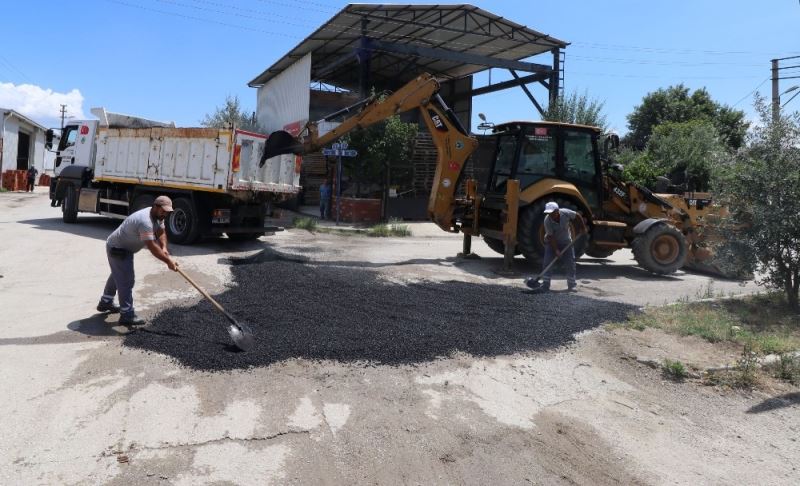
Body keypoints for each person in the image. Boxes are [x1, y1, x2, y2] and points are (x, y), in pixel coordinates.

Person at [97, 195, 179, 325]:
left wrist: (164, 247)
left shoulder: (158, 217)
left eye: (167, 212)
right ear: (155, 206)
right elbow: (152, 247)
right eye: (163, 211)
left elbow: (161, 232)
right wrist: (168, 261)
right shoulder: (145, 221)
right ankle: (127, 315)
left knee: (118, 274)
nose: (165, 214)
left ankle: (105, 302)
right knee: (126, 280)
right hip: (118, 248)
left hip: (124, 248)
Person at [538, 201, 588, 292]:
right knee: (547, 262)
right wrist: (556, 250)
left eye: (552, 213)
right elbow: (551, 237)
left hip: (566, 242)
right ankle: (545, 284)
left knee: (570, 263)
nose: (550, 215)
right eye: (548, 213)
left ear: (557, 211)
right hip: (551, 243)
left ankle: (572, 285)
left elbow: (577, 215)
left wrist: (583, 227)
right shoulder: (547, 220)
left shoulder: (565, 212)